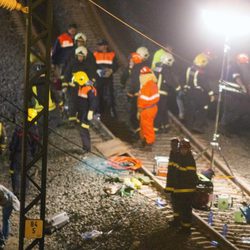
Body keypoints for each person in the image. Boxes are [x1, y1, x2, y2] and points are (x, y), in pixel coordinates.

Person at [9, 109, 39, 198]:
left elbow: (13, 144)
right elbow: (36, 145)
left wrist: (12, 152)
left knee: (16, 173)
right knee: (26, 173)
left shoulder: (19, 128)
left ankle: (16, 192)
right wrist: (33, 155)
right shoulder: (35, 130)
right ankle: (24, 193)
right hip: (28, 155)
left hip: (18, 155)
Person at [170, 138, 197, 235]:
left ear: (188, 149)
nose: (183, 150)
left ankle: (186, 229)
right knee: (180, 208)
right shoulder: (180, 157)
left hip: (187, 190)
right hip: (180, 189)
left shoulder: (189, 159)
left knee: (185, 210)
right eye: (182, 148)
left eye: (185, 149)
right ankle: (183, 226)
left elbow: (188, 174)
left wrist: (178, 168)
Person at [63, 46, 96, 123]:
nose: (80, 58)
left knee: (83, 103)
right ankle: (72, 119)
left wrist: (88, 85)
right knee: (72, 102)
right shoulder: (72, 63)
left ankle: (82, 118)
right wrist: (64, 85)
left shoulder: (88, 65)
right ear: (76, 56)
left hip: (83, 88)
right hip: (73, 87)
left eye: (82, 56)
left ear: (84, 57)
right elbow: (66, 74)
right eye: (79, 56)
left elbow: (92, 77)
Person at [183, 53, 214, 133]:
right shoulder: (201, 72)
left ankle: (188, 125)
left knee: (190, 108)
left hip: (189, 91)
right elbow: (205, 84)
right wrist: (211, 93)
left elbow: (183, 79)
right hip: (198, 93)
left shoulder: (189, 68)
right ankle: (197, 126)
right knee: (204, 108)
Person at [221, 53, 250, 134]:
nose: (245, 64)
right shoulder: (234, 66)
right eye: (244, 62)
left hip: (232, 92)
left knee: (231, 110)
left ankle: (228, 128)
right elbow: (236, 77)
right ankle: (224, 127)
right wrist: (243, 87)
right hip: (230, 92)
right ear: (241, 61)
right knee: (230, 110)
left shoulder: (234, 66)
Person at [153, 52, 179, 133]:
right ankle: (156, 128)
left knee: (163, 109)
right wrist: (177, 88)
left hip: (155, 92)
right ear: (168, 60)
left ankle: (166, 125)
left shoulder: (157, 67)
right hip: (161, 92)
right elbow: (169, 80)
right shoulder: (166, 68)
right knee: (160, 110)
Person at [127, 46, 151, 135]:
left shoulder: (136, 68)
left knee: (134, 114)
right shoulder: (147, 67)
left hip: (138, 94)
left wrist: (130, 92)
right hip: (146, 94)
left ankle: (138, 131)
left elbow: (134, 82)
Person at [93, 39, 118, 118]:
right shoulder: (95, 54)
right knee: (98, 93)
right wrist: (98, 71)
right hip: (98, 77)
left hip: (108, 77)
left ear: (106, 46)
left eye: (102, 45)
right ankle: (98, 111)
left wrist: (111, 70)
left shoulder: (112, 54)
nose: (101, 47)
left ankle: (112, 111)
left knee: (110, 94)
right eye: (100, 45)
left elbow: (116, 65)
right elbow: (92, 65)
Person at [74, 71, 97, 152]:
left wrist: (91, 111)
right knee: (82, 130)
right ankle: (85, 147)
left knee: (84, 131)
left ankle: (87, 149)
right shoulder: (82, 87)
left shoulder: (89, 89)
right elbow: (80, 101)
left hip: (85, 113)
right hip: (81, 112)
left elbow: (93, 101)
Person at [137, 66, 159, 151]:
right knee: (144, 126)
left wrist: (139, 108)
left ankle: (149, 143)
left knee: (147, 127)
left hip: (147, 109)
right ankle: (144, 141)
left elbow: (143, 100)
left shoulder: (146, 86)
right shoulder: (153, 84)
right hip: (152, 108)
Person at [0, 184, 20, 249]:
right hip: (6, 202)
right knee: (5, 219)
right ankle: (4, 237)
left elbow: (6, 198)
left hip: (9, 202)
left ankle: (4, 237)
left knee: (5, 219)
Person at [165, 137, 180, 226]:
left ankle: (178, 220)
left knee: (178, 202)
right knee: (174, 202)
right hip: (173, 183)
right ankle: (176, 219)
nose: (172, 147)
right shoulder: (172, 153)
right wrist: (169, 186)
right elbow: (170, 171)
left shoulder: (179, 154)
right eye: (172, 145)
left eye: (174, 145)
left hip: (179, 184)